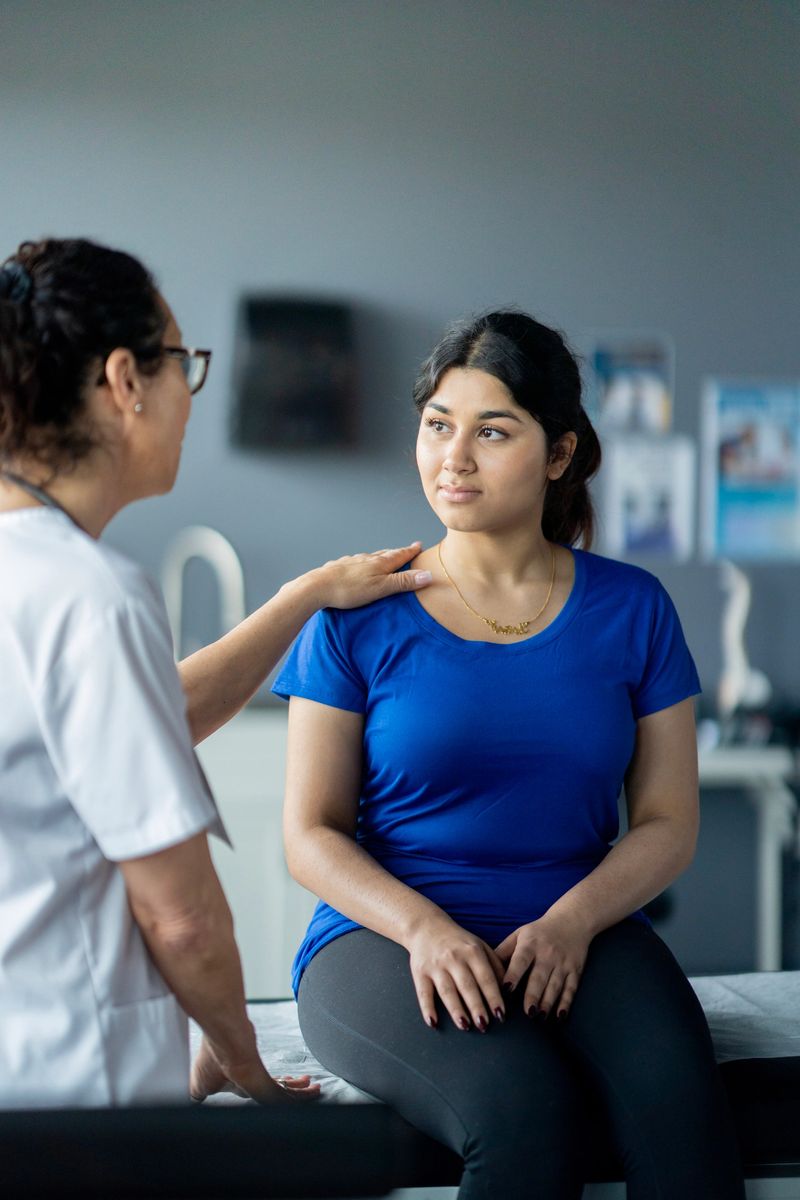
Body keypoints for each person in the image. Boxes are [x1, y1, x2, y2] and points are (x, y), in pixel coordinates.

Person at [274, 311, 746, 1198]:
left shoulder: (633, 609)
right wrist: (424, 929)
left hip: (582, 925)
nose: (455, 457)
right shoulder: (355, 612)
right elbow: (310, 833)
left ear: (558, 455)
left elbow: (666, 823)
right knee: (527, 1111)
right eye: (438, 426)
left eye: (493, 431)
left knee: (685, 1110)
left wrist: (571, 923)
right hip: (383, 937)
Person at [0, 237, 431, 1109]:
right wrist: (242, 1063)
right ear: (126, 381)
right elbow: (182, 917)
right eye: (181, 366)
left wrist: (305, 594)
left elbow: (152, 715)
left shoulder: (33, 576)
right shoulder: (93, 597)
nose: (190, 401)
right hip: (72, 1089)